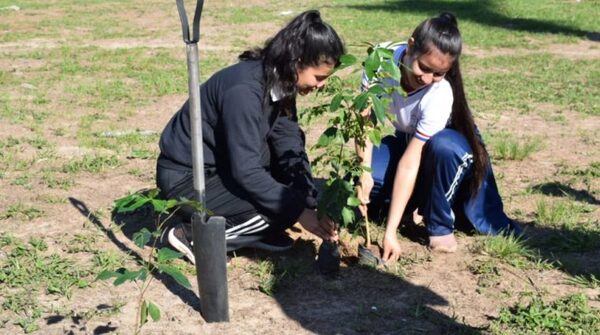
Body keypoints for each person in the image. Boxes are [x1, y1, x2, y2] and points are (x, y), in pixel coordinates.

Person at [156, 10, 341, 264]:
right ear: (297, 61)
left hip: (223, 169)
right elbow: (246, 171)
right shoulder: (244, 90)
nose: (321, 85)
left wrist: (308, 200)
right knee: (279, 207)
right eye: (319, 77)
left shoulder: (281, 83)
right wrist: (297, 211)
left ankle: (254, 233)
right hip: (188, 180)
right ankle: (189, 235)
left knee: (288, 196)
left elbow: (289, 144)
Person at [356, 13, 519, 263]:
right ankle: (414, 202)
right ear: (410, 46)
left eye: (439, 73)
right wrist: (363, 172)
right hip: (407, 140)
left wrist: (390, 233)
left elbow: (411, 162)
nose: (427, 79)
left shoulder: (440, 94)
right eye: (423, 68)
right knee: (368, 183)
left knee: (443, 148)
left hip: (449, 151)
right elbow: (365, 122)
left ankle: (440, 221)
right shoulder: (379, 60)